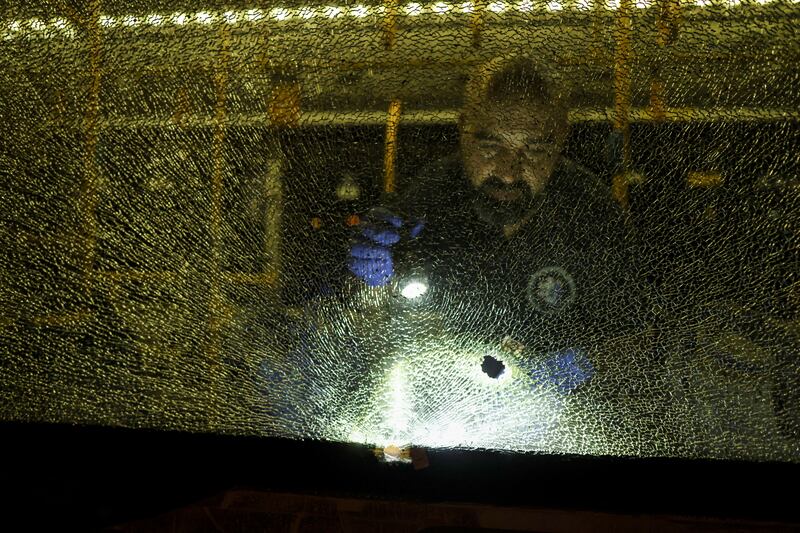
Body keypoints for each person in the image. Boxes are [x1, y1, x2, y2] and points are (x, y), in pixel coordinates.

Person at [349, 55, 642, 396]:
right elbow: (372, 320)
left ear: (562, 139)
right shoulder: (428, 200)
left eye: (534, 150)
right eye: (491, 146)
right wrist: (365, 280)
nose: (508, 171)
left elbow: (636, 335)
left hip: (557, 419)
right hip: (444, 404)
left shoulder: (593, 214)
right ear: (463, 129)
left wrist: (590, 364)